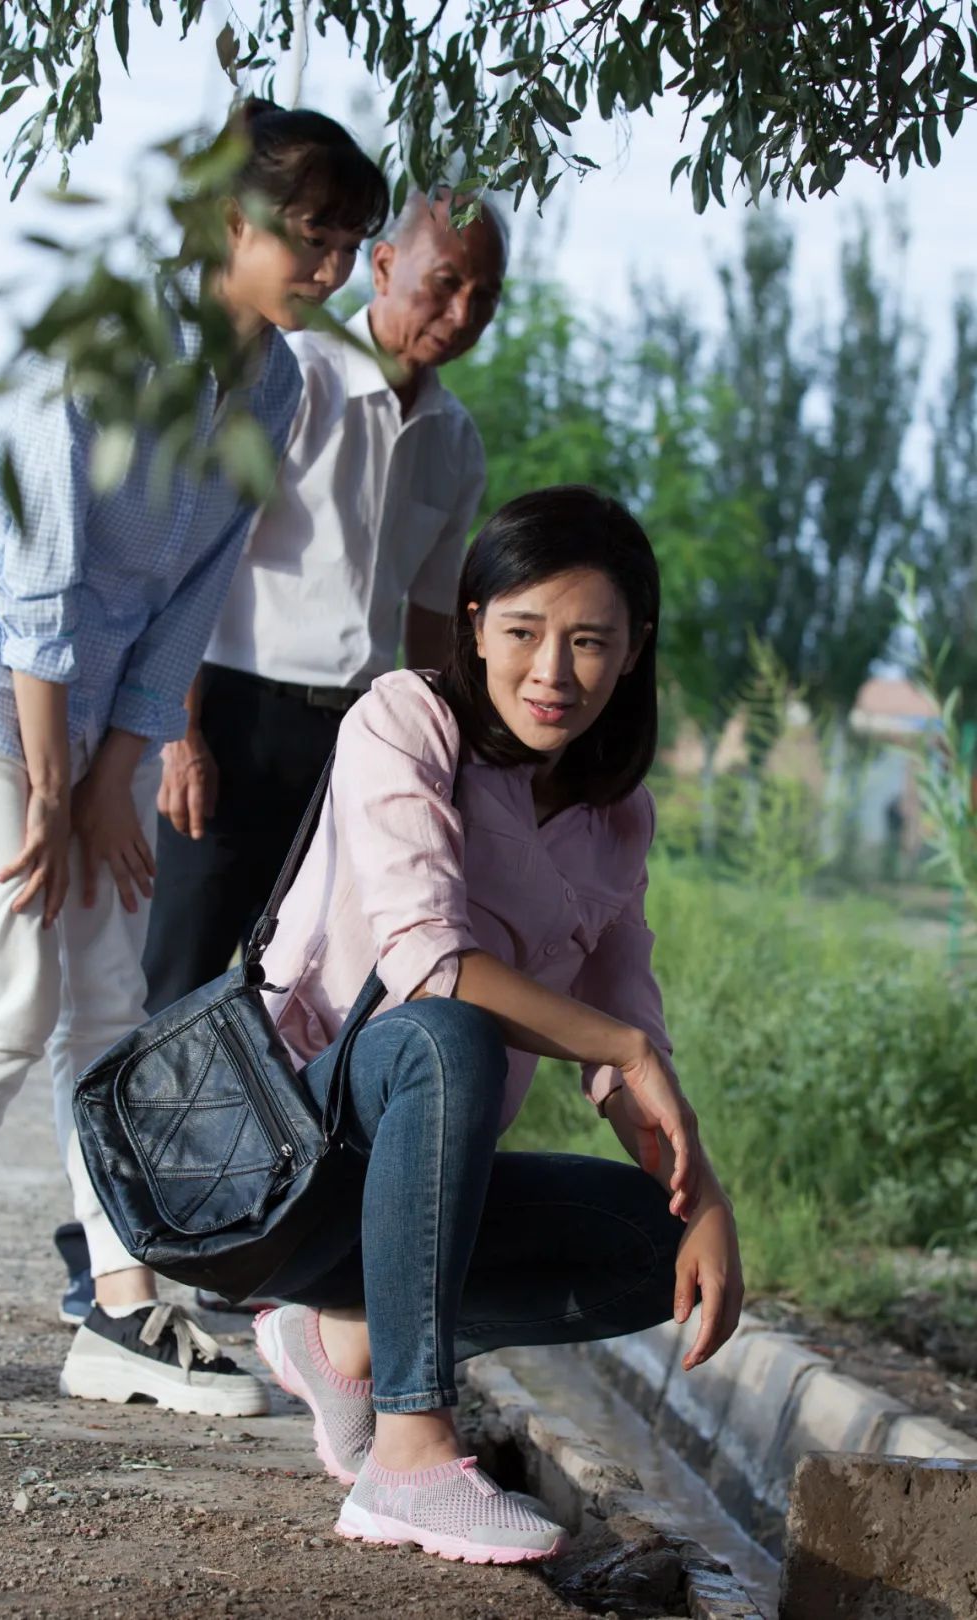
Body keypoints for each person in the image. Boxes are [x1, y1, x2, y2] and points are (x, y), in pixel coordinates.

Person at [0, 97, 389, 1411]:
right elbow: (37, 587)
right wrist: (58, 792)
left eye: (351, 241)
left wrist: (120, 770)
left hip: (97, 707)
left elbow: (192, 597)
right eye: (312, 234)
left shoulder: (275, 385)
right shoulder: (115, 354)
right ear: (230, 222)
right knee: (11, 998)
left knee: (113, 1014)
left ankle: (122, 1314)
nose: (333, 266)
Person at [245, 484, 744, 1563]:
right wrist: (622, 1048)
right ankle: (411, 1456)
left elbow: (626, 1016)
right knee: (448, 1030)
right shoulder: (404, 717)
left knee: (649, 1245)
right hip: (278, 1150)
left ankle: (342, 1334)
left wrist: (706, 1200)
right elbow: (428, 960)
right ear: (475, 624)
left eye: (590, 643)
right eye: (523, 632)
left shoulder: (618, 815)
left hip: (407, 1181)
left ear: (633, 650)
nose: (552, 673)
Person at [141, 187, 507, 1016]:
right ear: (382, 266)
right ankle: (113, 1152)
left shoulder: (457, 443)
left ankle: (268, 1152)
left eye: (483, 296)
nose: (461, 310)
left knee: (301, 992)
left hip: (356, 744)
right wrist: (181, 734)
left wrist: (447, 766)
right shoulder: (291, 380)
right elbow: (202, 558)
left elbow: (430, 622)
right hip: (234, 720)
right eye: (444, 282)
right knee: (180, 986)